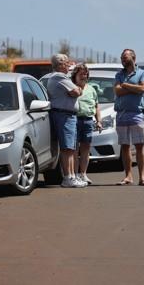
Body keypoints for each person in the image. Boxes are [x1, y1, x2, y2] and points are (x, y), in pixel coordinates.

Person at [47, 54, 87, 188]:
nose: (69, 65)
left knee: (70, 148)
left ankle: (72, 176)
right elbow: (75, 91)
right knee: (67, 148)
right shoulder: (59, 76)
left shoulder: (60, 77)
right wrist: (79, 89)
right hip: (64, 115)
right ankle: (68, 177)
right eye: (66, 63)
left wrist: (76, 90)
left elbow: (74, 91)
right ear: (60, 65)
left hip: (68, 115)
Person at [113, 49, 144, 186]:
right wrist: (133, 88)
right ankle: (128, 176)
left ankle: (142, 177)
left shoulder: (143, 73)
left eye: (125, 56)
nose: (122, 59)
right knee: (125, 146)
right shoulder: (119, 74)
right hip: (121, 114)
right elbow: (117, 90)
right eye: (121, 57)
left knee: (140, 145)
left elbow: (142, 89)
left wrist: (126, 85)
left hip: (136, 113)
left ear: (133, 57)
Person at [71, 63, 102, 185]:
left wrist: (98, 121)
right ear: (75, 76)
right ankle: (74, 174)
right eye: (81, 74)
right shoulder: (72, 87)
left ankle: (83, 174)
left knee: (85, 149)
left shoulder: (91, 89)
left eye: (85, 74)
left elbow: (96, 106)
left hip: (88, 121)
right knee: (74, 149)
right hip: (74, 120)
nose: (84, 76)